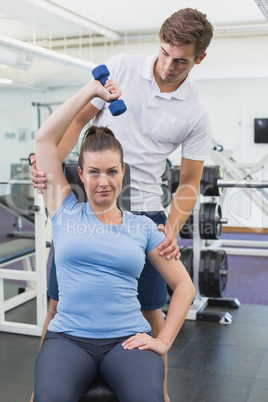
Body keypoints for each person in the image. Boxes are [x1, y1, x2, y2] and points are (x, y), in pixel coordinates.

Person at [31, 8, 213, 400]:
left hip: (145, 210)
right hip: (84, 199)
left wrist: (170, 230)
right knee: (56, 306)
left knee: (151, 314)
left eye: (181, 60)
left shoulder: (196, 111)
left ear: (199, 59)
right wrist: (44, 170)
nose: (168, 65)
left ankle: (156, 393)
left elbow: (189, 183)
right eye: (164, 52)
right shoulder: (120, 68)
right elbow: (73, 127)